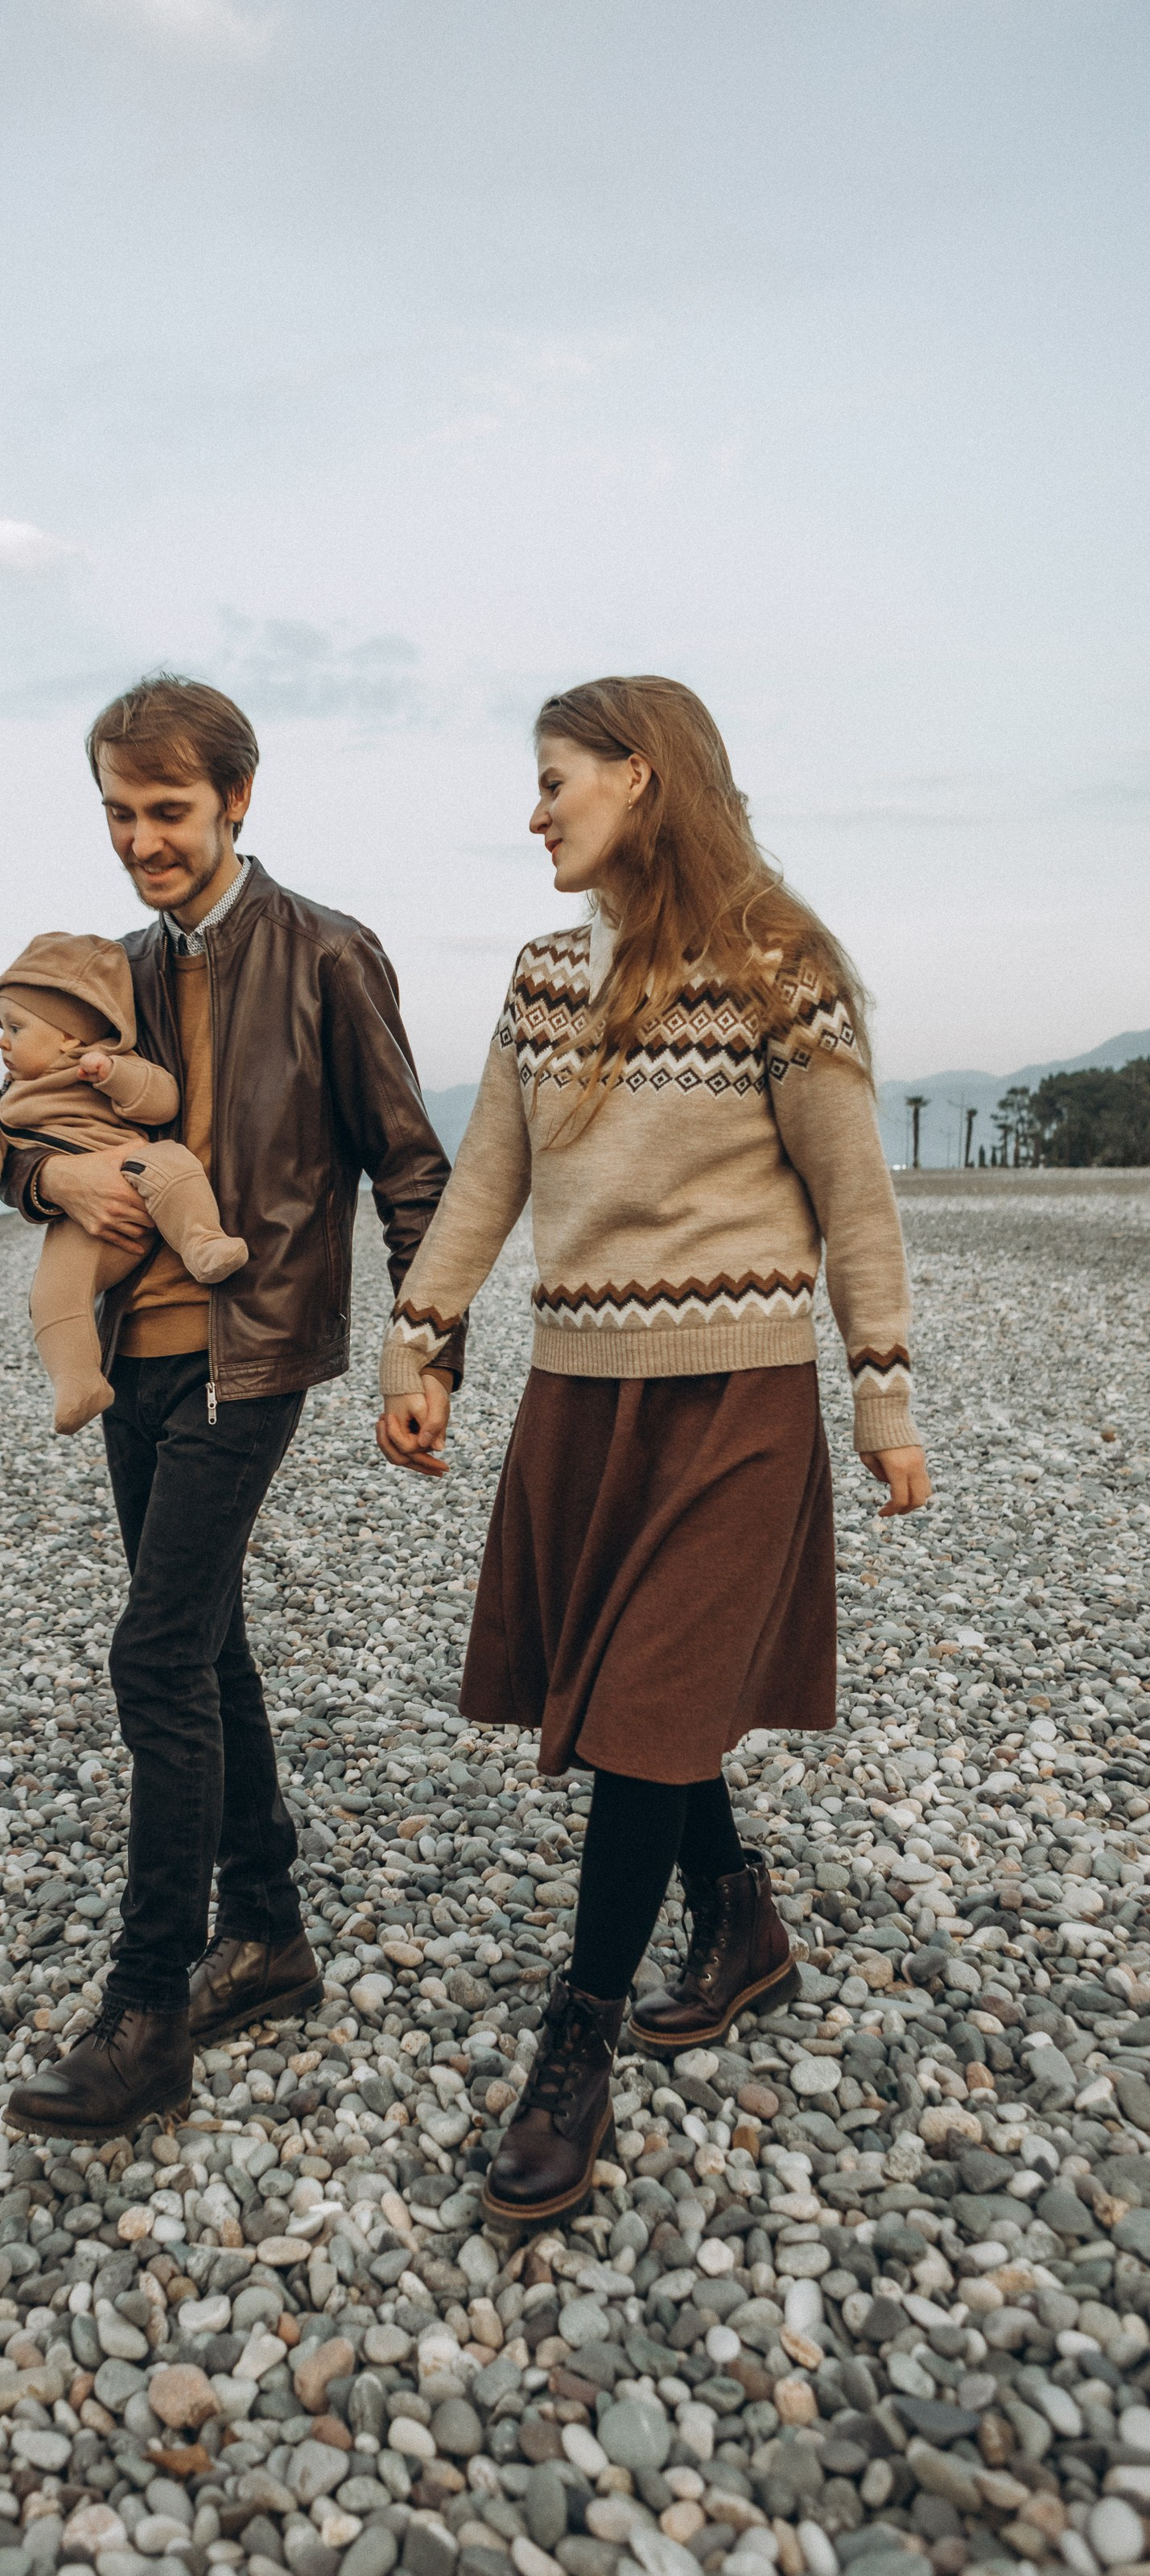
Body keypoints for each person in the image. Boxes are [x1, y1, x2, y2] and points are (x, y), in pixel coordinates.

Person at [376, 674, 930, 2226]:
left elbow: (852, 1203)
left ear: (640, 778)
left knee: (641, 1708)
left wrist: (880, 1392)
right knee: (634, 1695)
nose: (533, 810)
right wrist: (417, 1340)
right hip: (577, 1395)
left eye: (554, 779)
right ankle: (738, 1917)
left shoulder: (777, 971)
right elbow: (483, 1180)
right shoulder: (544, 977)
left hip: (737, 1398)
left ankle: (578, 2035)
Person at [0, 675, 460, 2140]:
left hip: (248, 1350)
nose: (141, 839)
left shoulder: (327, 953)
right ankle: (264, 1935)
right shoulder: (108, 967)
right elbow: (27, 1123)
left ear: (238, 800)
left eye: (168, 810)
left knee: (151, 1661)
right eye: (120, 812)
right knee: (202, 1640)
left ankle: (148, 2011)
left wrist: (424, 1351)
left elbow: (409, 1168)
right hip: (129, 1350)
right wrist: (43, 1182)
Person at [0, 934, 247, 1434]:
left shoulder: (107, 1067)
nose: (2, 1041)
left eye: (16, 1027)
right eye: (2, 1027)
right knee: (53, 1295)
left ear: (69, 1035)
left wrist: (112, 1075)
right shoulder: (4, 1103)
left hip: (143, 1179)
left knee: (171, 1160)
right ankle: (79, 1381)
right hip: (81, 1225)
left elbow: (162, 1101)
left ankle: (202, 1241)